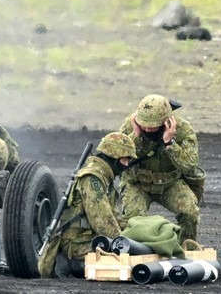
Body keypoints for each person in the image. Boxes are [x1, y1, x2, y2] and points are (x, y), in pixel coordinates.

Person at [39, 131, 137, 278]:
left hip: (88, 237)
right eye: (125, 159)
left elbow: (112, 217)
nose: (127, 164)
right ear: (114, 156)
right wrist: (123, 244)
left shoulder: (104, 177)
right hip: (76, 243)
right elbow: (102, 221)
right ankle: (69, 264)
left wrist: (135, 228)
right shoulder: (93, 178)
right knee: (123, 262)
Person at [118, 94, 202, 243]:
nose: (146, 128)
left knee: (190, 213)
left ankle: (186, 249)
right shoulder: (130, 126)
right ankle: (133, 252)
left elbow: (190, 166)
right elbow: (118, 158)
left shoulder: (183, 130)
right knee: (132, 219)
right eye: (143, 124)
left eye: (152, 125)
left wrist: (170, 143)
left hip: (170, 183)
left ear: (166, 121)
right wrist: (135, 136)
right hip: (138, 183)